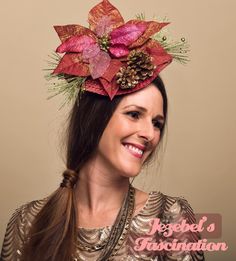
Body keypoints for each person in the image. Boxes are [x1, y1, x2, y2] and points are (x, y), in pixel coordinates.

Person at [1, 1, 205, 260]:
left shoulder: (170, 218)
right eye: (134, 114)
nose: (150, 134)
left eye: (157, 123)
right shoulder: (27, 223)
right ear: (95, 119)